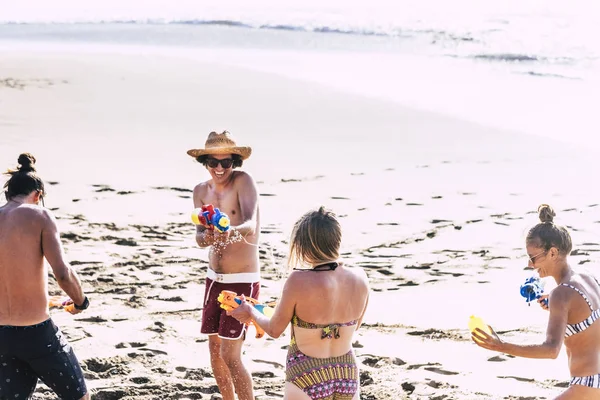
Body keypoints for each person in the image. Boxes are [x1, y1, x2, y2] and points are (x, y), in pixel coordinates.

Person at [229, 206, 370, 400]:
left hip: (307, 373)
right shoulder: (361, 277)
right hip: (346, 371)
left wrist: (250, 311)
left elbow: (275, 329)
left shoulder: (298, 280)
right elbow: (356, 326)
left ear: (304, 245)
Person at [473, 204, 600, 399]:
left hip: (588, 384)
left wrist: (501, 346)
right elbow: (587, 321)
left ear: (552, 253)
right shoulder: (586, 277)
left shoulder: (561, 294)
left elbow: (551, 350)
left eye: (533, 257)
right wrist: (560, 309)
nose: (529, 264)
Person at [0, 153, 90, 400]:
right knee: (79, 397)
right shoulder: (40, 215)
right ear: (38, 195)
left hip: (2, 336)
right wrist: (81, 302)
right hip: (37, 334)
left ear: (8, 193)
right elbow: (62, 273)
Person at [187, 131, 260, 400]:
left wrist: (231, 231)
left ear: (235, 163)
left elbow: (250, 224)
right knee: (215, 352)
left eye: (226, 162)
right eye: (213, 162)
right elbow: (199, 238)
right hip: (213, 279)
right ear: (204, 161)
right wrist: (206, 236)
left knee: (231, 355)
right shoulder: (200, 191)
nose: (219, 168)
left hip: (242, 278)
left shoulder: (243, 181)